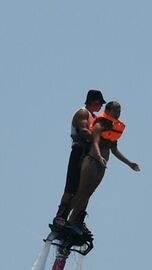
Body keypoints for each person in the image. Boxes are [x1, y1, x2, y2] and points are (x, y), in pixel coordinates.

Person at [60, 100, 139, 244]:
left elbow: (114, 149)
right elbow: (95, 143)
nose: (118, 113)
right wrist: (98, 157)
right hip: (92, 161)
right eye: (116, 110)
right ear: (108, 111)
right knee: (82, 191)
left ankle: (73, 222)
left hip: (102, 164)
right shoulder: (100, 124)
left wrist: (129, 163)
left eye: (120, 111)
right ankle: (65, 220)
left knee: (88, 193)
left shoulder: (113, 127)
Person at [51, 89, 105, 239]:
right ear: (94, 102)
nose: (101, 106)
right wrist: (97, 137)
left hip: (89, 155)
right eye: (100, 103)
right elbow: (83, 131)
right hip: (79, 151)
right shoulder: (82, 113)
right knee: (72, 186)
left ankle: (77, 220)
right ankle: (60, 217)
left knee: (85, 190)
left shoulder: (95, 117)